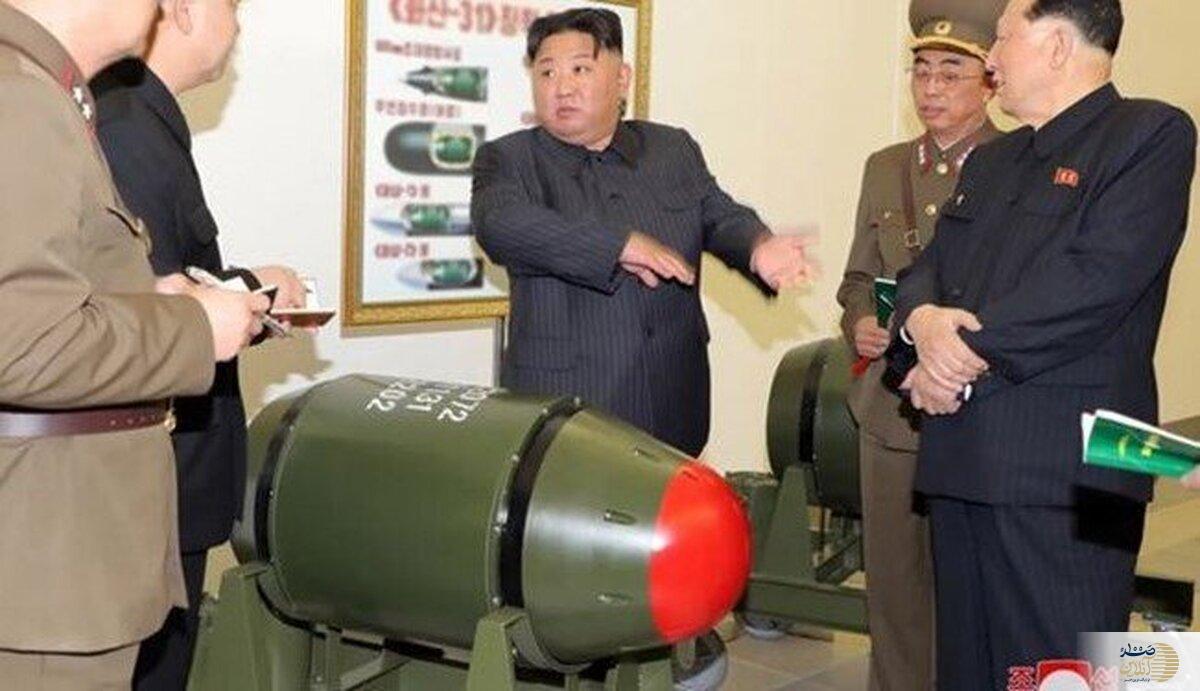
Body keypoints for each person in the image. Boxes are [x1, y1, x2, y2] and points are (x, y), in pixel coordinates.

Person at [885, 0, 1195, 686]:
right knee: (968, 669)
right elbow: (926, 270)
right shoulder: (993, 160)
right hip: (963, 456)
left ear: (1056, 46)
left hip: (1070, 470)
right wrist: (922, 325)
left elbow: (1096, 280)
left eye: (1002, 39)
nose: (990, 60)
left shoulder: (1148, 134)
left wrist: (954, 358)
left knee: (1063, 669)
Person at [0, 0, 268, 687]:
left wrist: (152, 301)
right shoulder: (20, 101)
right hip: (47, 576)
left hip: (57, 560)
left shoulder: (42, 94)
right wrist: (196, 329)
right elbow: (22, 344)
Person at [471, 7, 812, 458]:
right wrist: (618, 246)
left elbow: (718, 214)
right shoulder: (509, 160)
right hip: (568, 417)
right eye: (547, 72)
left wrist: (757, 246)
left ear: (622, 79)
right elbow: (499, 224)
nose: (562, 87)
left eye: (580, 69)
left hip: (674, 403)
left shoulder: (671, 148)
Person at [90, 0, 307, 687]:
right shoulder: (126, 128)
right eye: (231, 6)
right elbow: (142, 307)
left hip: (173, 473)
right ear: (181, 11)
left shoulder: (147, 119)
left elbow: (169, 281)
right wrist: (243, 294)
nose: (238, 24)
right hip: (156, 477)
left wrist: (244, 290)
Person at [836, 0, 1002, 687]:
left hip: (979, 411)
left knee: (973, 588)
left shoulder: (1016, 163)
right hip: (891, 410)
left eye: (951, 74)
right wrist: (858, 321)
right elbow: (856, 279)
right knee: (895, 590)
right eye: (921, 71)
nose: (931, 89)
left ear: (990, 81)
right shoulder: (885, 167)